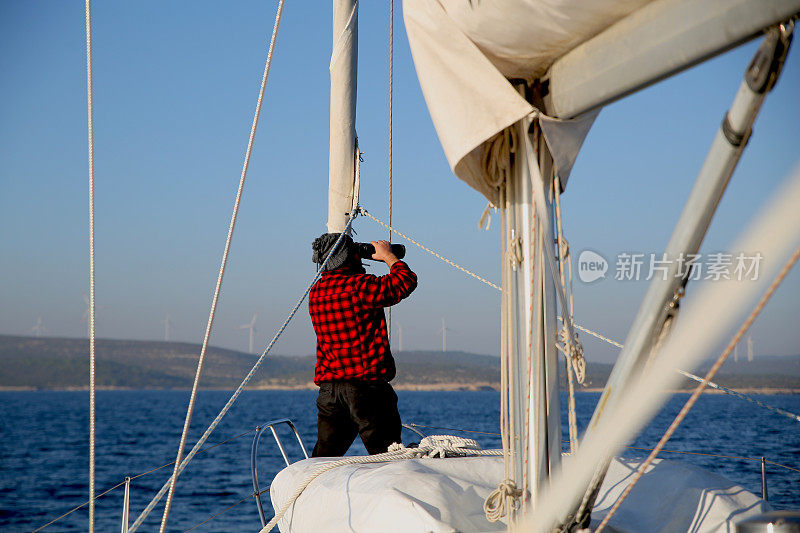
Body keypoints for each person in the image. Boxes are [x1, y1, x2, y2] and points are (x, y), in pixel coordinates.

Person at [308, 233, 417, 456]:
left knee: (323, 462)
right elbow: (405, 282)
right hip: (366, 389)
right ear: (350, 257)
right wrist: (388, 257)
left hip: (330, 391)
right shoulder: (360, 287)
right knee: (387, 459)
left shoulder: (316, 292)